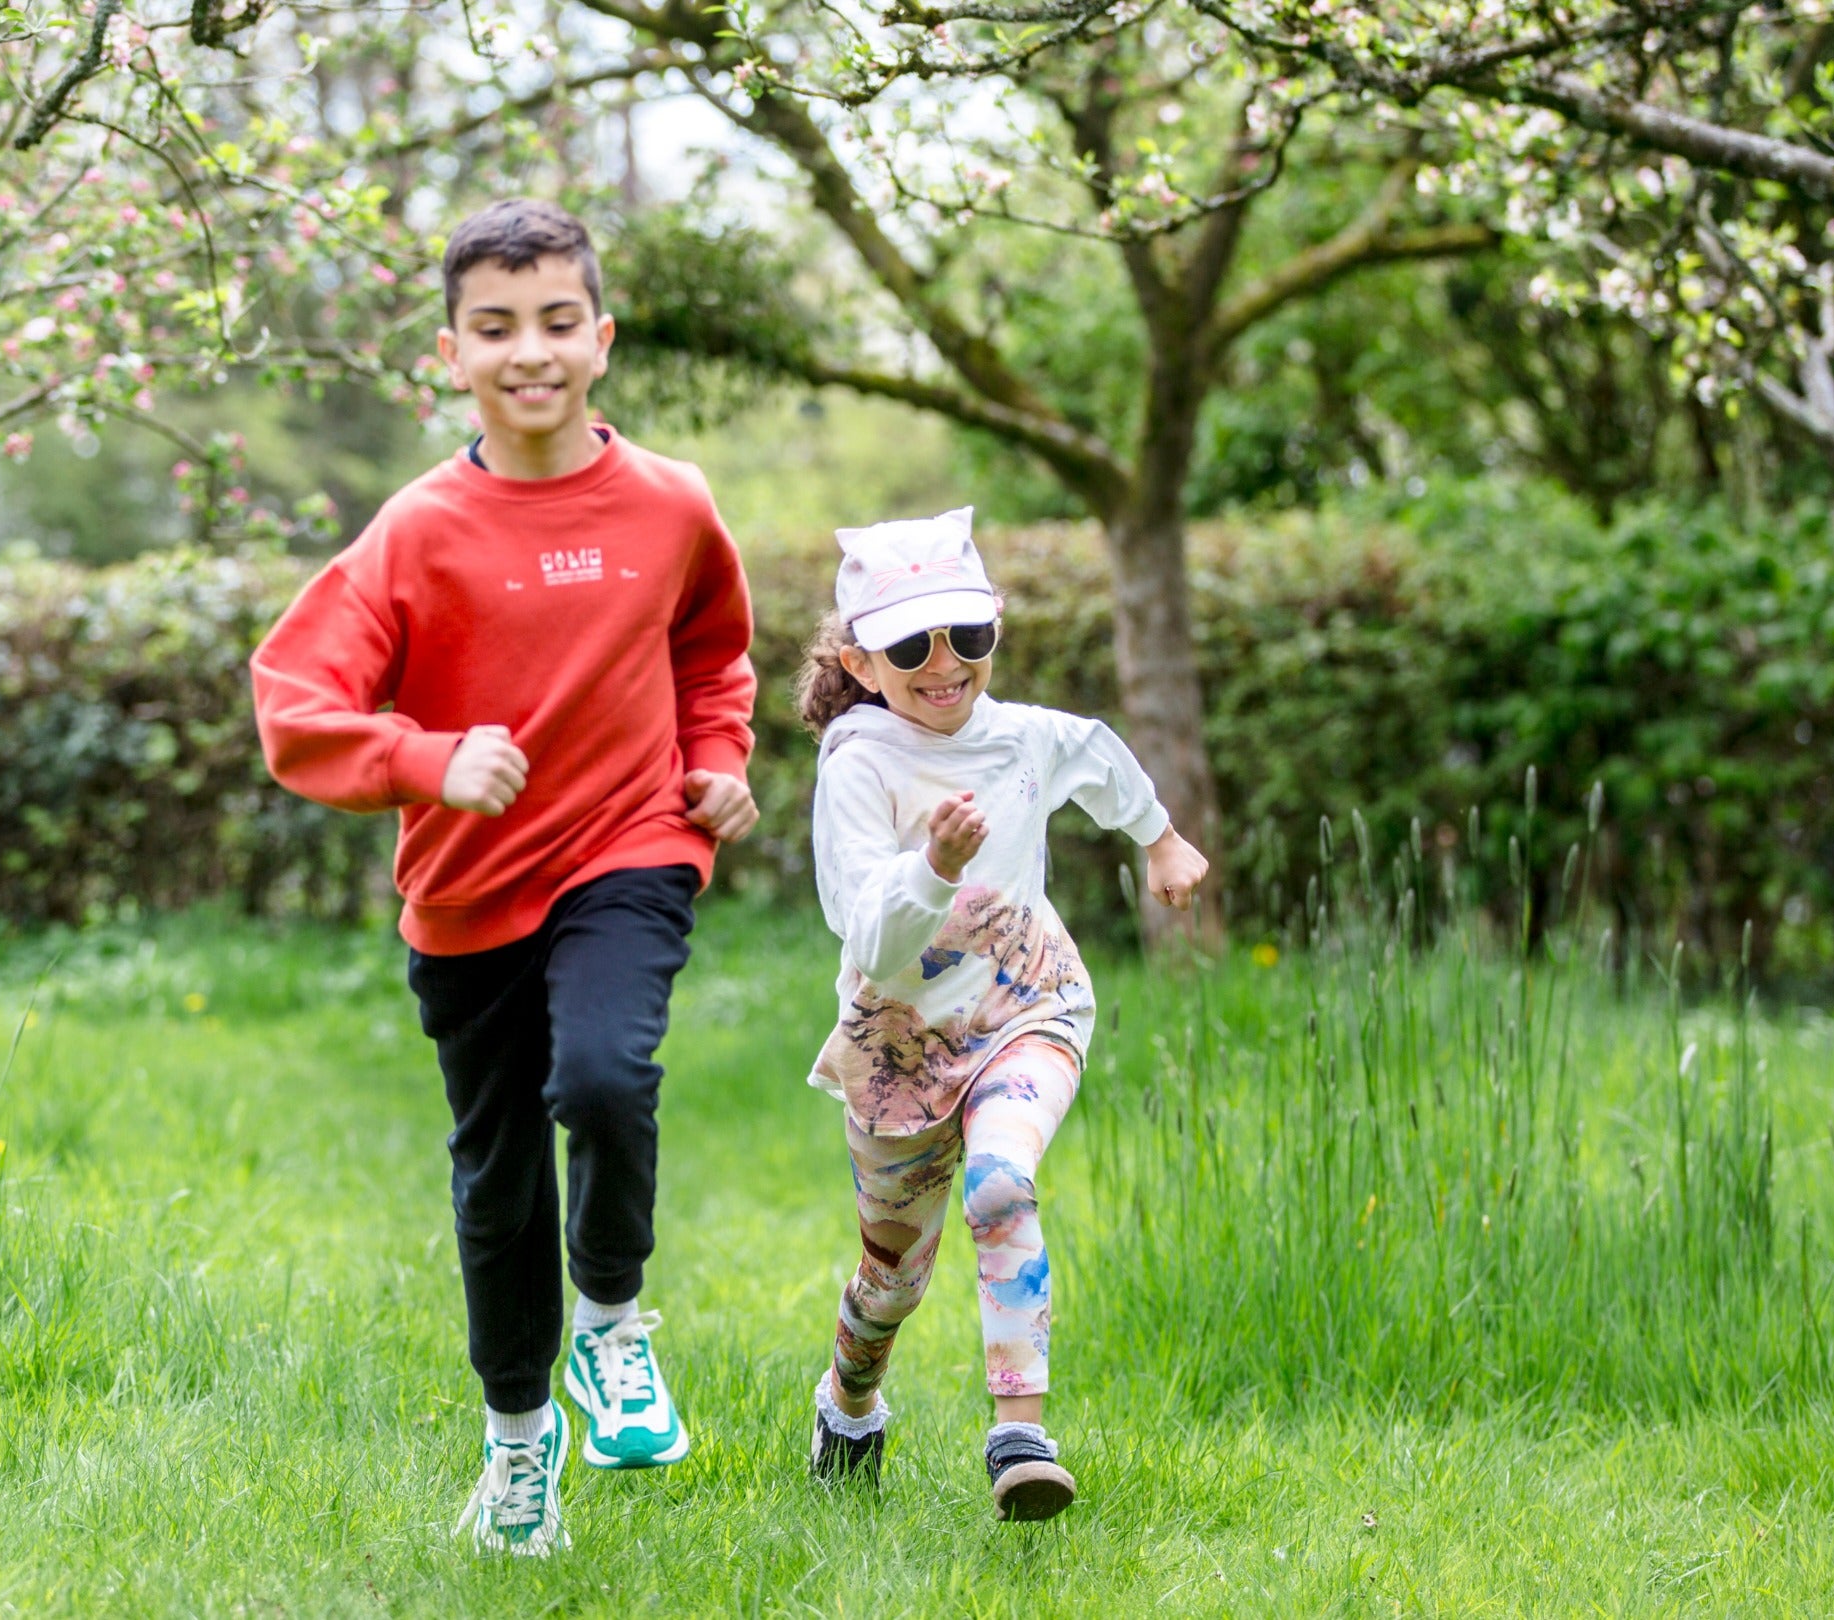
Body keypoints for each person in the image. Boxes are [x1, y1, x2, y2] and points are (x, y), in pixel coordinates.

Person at [250, 199, 759, 1556]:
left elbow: (713, 655)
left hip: (628, 848)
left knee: (601, 1075)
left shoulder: (670, 505)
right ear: (452, 352)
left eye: (553, 322)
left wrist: (718, 759)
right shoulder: (417, 530)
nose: (528, 350)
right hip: (469, 893)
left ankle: (612, 1323)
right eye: (495, 328)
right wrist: (424, 761)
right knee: (498, 1181)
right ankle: (520, 1448)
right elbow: (294, 698)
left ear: (600, 337)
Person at [789, 506, 1209, 1522]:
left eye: (966, 635)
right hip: (902, 1045)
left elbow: (1097, 755)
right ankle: (848, 1405)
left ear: (995, 631)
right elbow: (865, 935)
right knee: (891, 1279)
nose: (945, 663)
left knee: (1001, 1181)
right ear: (861, 658)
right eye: (910, 644)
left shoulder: (1021, 737)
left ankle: (1020, 1432)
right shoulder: (858, 767)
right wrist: (932, 868)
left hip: (1030, 1005)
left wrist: (1159, 840)